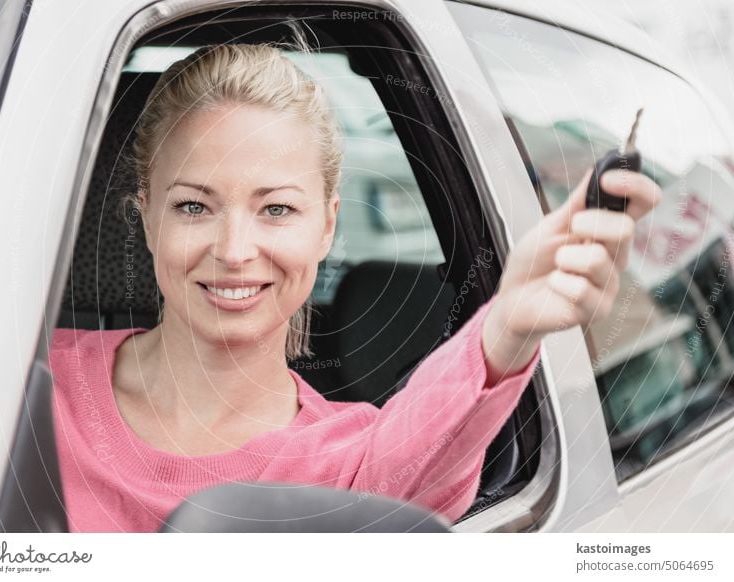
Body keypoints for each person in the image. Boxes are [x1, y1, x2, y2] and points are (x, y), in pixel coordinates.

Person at [48, 43, 661, 532]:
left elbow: (419, 452)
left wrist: (509, 323)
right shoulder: (28, 380)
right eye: (192, 207)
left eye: (278, 210)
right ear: (146, 216)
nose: (234, 251)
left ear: (328, 226)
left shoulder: (349, 468)